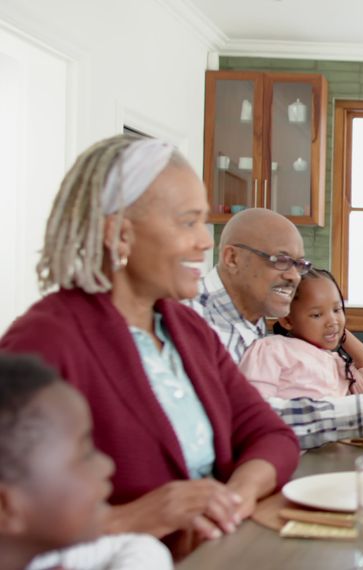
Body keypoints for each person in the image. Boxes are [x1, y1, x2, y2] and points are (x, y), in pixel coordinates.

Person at [0, 135, 300, 555]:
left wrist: (235, 496)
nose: (205, 241)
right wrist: (131, 519)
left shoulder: (185, 329)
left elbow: (271, 434)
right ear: (120, 234)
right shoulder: (44, 342)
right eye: (187, 222)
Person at [188, 208, 363, 449]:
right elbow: (238, 420)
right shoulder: (193, 319)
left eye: (299, 264)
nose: (294, 276)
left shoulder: (249, 318)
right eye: (280, 260)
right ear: (232, 258)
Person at [0, 354, 170, 570]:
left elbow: (140, 546)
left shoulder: (46, 559)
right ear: (4, 507)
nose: (106, 465)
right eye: (85, 454)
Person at [239, 268, 363, 399]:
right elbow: (255, 406)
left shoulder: (335, 362)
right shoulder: (272, 349)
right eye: (317, 315)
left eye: (337, 309)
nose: (332, 320)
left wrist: (340, 332)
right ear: (287, 320)